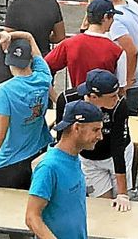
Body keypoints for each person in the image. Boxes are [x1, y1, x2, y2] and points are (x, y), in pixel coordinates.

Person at [0, 30, 53, 189]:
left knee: (4, 209)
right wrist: (11, 36)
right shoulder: (43, 76)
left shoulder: (5, 91)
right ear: (30, 60)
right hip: (38, 153)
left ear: (9, 61)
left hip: (10, 162)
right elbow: (29, 36)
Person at [26, 100, 105, 239]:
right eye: (95, 130)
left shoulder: (74, 157)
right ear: (77, 128)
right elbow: (32, 217)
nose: (100, 136)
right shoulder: (48, 167)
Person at [54, 69, 133, 206]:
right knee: (103, 205)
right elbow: (63, 138)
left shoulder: (119, 106)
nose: (117, 99)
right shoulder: (67, 100)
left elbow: (118, 146)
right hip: (88, 158)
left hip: (116, 155)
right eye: (112, 96)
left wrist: (123, 194)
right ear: (94, 96)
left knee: (120, 203)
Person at [94, 0, 138, 113]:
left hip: (130, 82)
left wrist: (127, 82)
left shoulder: (114, 19)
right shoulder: (132, 4)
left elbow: (132, 51)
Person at [46, 0, 123, 88]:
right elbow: (121, 86)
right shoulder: (117, 51)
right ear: (105, 17)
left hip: (75, 99)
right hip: (103, 100)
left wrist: (57, 98)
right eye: (112, 17)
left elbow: (44, 67)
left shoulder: (69, 44)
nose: (113, 21)